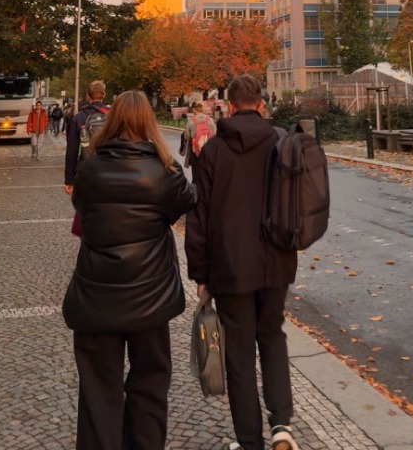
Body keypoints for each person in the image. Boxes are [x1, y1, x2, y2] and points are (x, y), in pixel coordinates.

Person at [63, 89, 196, 450]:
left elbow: (82, 207)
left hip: (95, 295)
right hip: (150, 296)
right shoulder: (163, 171)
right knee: (150, 387)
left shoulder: (89, 166)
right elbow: (187, 200)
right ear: (147, 122)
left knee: (97, 391)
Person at [185, 74, 299, 450]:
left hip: (230, 265)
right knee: (272, 335)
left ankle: (250, 441)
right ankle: (282, 424)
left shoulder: (214, 150)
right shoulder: (282, 142)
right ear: (262, 105)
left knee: (239, 350)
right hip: (276, 261)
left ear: (229, 107)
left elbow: (199, 216)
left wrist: (199, 271)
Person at [64, 80, 108, 194]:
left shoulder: (79, 118)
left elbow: (71, 152)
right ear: (104, 95)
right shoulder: (113, 115)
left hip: (86, 170)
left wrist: (69, 180)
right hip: (110, 168)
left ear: (88, 96)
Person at [181, 101, 216, 183]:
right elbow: (214, 134)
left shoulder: (191, 121)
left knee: (196, 174)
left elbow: (186, 136)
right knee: (207, 173)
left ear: (193, 109)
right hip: (208, 151)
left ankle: (196, 191)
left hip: (195, 151)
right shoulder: (210, 120)